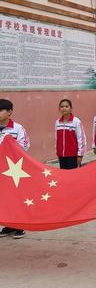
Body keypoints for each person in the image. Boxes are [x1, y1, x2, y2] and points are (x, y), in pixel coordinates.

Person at [0, 99, 30, 239]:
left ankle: (19, 225)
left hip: (14, 170)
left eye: (1, 110)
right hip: (1, 171)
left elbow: (25, 146)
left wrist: (9, 146)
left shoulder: (17, 128)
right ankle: (8, 224)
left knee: (16, 196)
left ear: (10, 112)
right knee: (4, 198)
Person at [55, 99, 86, 169]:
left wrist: (80, 155)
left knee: (73, 176)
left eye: (66, 106)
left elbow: (81, 139)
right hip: (61, 155)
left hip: (73, 155)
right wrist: (57, 151)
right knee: (64, 176)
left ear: (71, 108)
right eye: (62, 107)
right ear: (59, 109)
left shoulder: (76, 122)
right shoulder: (57, 123)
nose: (64, 108)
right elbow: (57, 139)